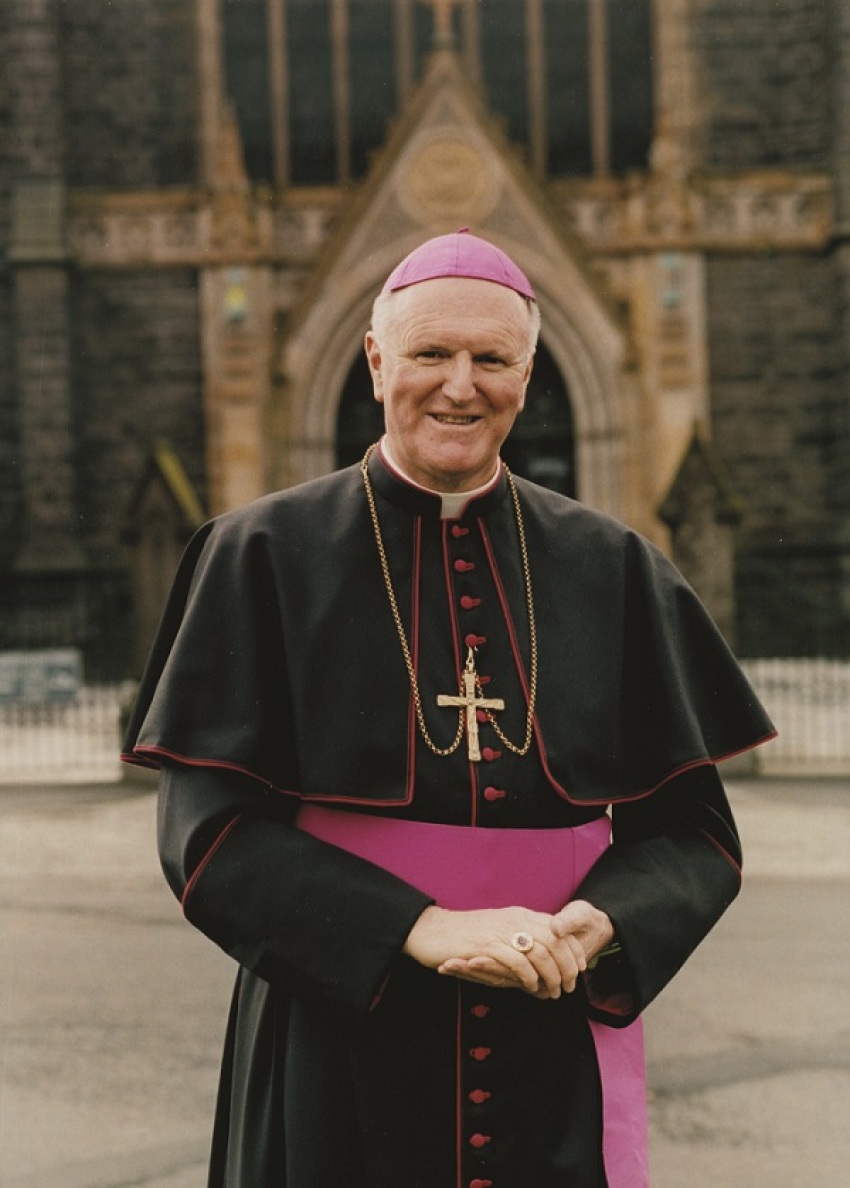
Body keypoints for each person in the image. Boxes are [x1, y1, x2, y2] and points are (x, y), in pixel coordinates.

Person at [122, 230, 775, 1188]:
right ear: (376, 360)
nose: (460, 387)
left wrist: (603, 922)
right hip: (332, 1039)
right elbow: (208, 838)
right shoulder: (260, 553)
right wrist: (417, 927)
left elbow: (695, 835)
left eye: (492, 360)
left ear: (528, 374)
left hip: (550, 1037)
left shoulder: (613, 567)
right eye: (430, 353)